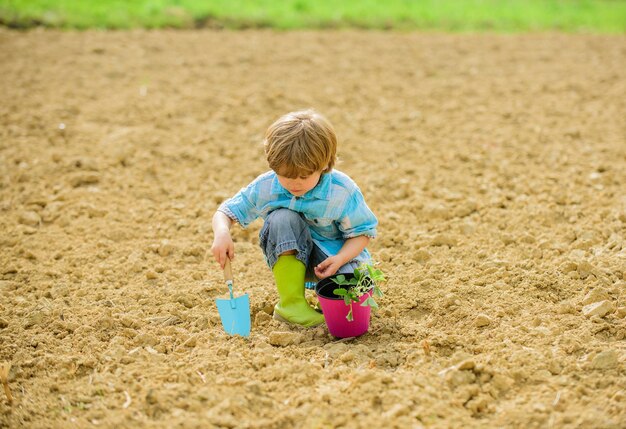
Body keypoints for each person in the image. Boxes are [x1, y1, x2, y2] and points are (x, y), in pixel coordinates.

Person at [211, 109, 378, 327]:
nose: (294, 183)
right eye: (286, 176)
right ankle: (292, 305)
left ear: (324, 165)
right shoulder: (267, 186)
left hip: (334, 260)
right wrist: (222, 232)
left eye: (304, 176)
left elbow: (362, 233)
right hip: (291, 254)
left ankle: (328, 298)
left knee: (354, 302)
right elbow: (226, 211)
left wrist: (340, 259)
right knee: (281, 217)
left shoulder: (341, 191)